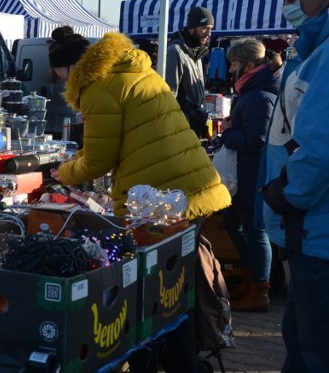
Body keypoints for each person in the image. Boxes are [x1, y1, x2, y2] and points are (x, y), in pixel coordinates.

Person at [48, 26, 231, 373]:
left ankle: (162, 362)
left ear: (72, 68)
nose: (58, 81)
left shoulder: (97, 87)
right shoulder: (133, 70)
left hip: (162, 200)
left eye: (58, 74)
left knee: (155, 294)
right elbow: (120, 136)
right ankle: (183, 362)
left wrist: (66, 172)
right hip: (189, 188)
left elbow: (98, 160)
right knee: (177, 290)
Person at [257, 0, 329, 371]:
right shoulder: (312, 50)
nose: (288, 5)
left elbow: (319, 146)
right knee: (302, 344)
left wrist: (288, 197)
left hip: (317, 234)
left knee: (312, 351)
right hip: (309, 232)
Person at [218, 38, 281, 312]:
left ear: (249, 64)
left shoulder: (258, 96)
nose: (230, 68)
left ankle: (260, 290)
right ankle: (250, 279)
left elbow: (256, 140)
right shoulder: (254, 90)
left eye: (234, 63)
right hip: (246, 174)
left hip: (253, 175)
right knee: (235, 225)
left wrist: (229, 132)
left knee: (255, 231)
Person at [165, 6, 214, 139]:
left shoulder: (197, 52)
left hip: (194, 123)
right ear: (192, 27)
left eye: (211, 29)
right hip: (180, 126)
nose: (209, 33)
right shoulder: (175, 51)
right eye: (205, 28)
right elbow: (169, 94)